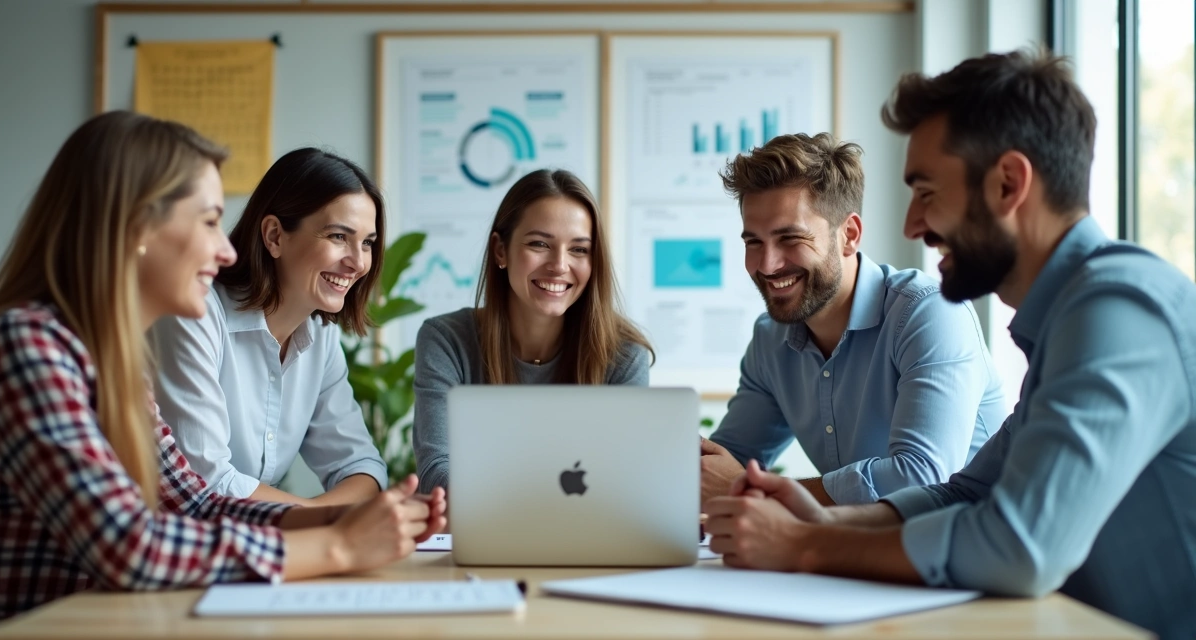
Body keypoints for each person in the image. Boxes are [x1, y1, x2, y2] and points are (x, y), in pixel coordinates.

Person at [702, 50, 1196, 639]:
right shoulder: (1067, 319)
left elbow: (1020, 545)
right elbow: (967, 490)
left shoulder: (1119, 308)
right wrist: (823, 522)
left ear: (1009, 184)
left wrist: (807, 545)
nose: (912, 225)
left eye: (927, 192)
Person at [0, 111, 445, 625]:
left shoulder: (111, 360)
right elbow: (130, 544)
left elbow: (196, 502)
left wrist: (351, 518)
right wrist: (336, 544)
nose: (226, 250)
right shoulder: (26, 344)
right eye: (208, 221)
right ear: (134, 226)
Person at [700, 132, 1008, 506]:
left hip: (960, 552)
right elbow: (726, 465)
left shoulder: (929, 313)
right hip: (853, 554)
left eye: (790, 239)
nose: (767, 264)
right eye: (753, 242)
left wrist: (764, 495)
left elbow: (922, 477)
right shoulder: (771, 339)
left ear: (849, 235)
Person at [150, 148, 389, 506]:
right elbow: (203, 481)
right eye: (339, 236)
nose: (358, 262)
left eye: (367, 243)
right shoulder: (194, 314)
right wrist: (321, 522)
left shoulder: (321, 338)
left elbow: (361, 466)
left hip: (252, 543)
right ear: (275, 236)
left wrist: (319, 521)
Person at [413, 169, 653, 494]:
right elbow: (436, 474)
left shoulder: (623, 355)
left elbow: (628, 481)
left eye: (579, 249)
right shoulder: (446, 340)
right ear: (501, 250)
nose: (559, 265)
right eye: (540, 244)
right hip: (487, 539)